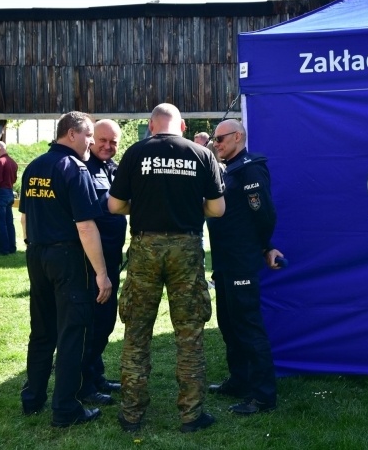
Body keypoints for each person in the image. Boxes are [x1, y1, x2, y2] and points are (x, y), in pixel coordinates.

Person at [108, 103, 225, 434]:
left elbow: (114, 205)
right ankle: (191, 414)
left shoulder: (135, 153)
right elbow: (218, 208)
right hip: (186, 248)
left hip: (145, 247)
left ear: (151, 125)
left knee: (136, 332)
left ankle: (131, 414)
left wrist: (141, 205)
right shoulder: (202, 156)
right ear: (183, 126)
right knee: (190, 333)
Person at [19, 111, 113, 428]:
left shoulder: (34, 167)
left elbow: (24, 218)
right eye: (88, 135)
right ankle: (65, 409)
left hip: (37, 254)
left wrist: (36, 246)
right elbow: (86, 227)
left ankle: (32, 398)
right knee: (73, 332)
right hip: (68, 259)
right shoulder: (75, 168)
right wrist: (101, 273)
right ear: (71, 134)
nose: (90, 141)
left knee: (42, 330)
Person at [206, 119, 285, 415]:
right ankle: (239, 381)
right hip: (225, 262)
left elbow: (264, 213)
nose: (217, 143)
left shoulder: (250, 168)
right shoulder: (229, 168)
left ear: (238, 136)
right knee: (228, 324)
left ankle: (263, 396)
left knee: (248, 326)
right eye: (215, 139)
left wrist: (264, 246)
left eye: (221, 138)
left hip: (241, 261)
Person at [77, 119, 128, 403]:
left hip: (111, 257)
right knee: (92, 324)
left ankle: (96, 375)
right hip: (91, 262)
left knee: (105, 322)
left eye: (113, 142)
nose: (108, 146)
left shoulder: (113, 168)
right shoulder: (83, 168)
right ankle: (84, 385)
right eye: (102, 140)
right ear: (91, 139)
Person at [0, 141, 18, 256]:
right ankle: (12, 247)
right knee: (9, 222)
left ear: (0, 148)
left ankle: (3, 249)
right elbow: (13, 179)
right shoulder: (13, 162)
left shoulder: (0, 162)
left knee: (0, 223)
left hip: (0, 193)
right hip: (9, 192)